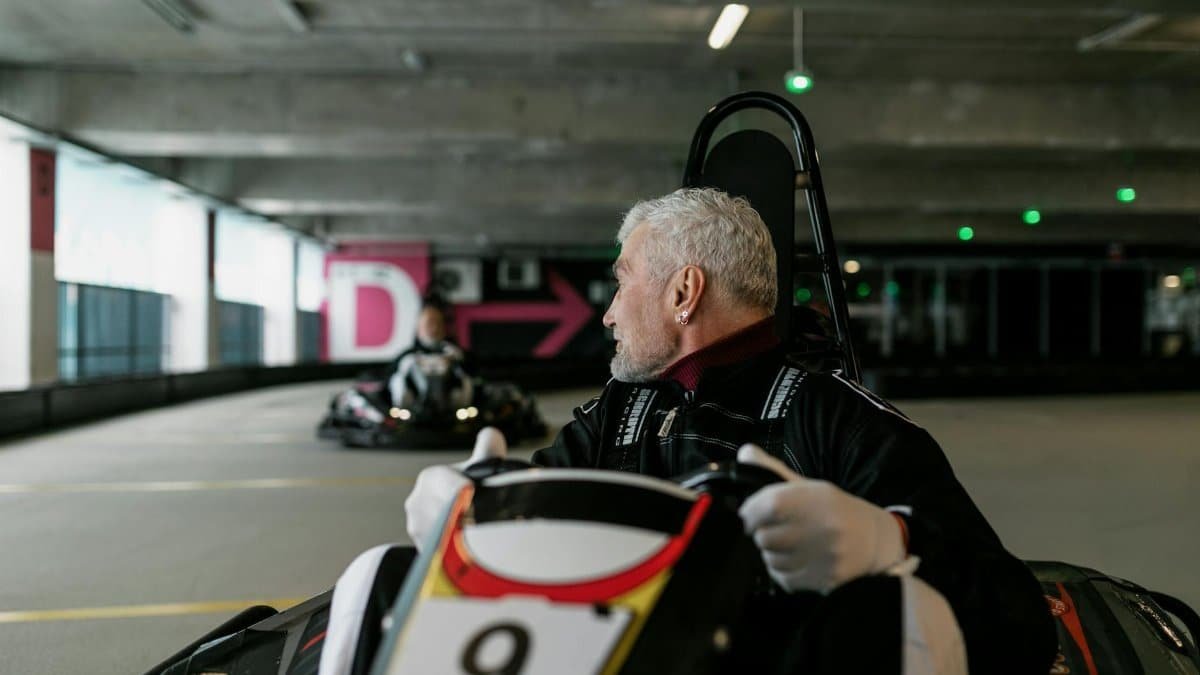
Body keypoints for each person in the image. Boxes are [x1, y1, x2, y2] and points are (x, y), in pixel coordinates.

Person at [405, 188, 1056, 674]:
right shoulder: (620, 410)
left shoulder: (834, 417)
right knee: (382, 575)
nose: (605, 314)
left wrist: (892, 542)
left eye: (622, 282)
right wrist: (471, 504)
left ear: (684, 290)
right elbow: (540, 502)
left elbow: (1021, 618)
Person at [388, 300, 473, 410]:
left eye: (438, 323)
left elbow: (474, 374)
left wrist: (458, 361)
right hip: (413, 412)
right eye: (429, 323)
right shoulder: (406, 356)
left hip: (453, 410)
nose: (434, 328)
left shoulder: (456, 353)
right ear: (418, 328)